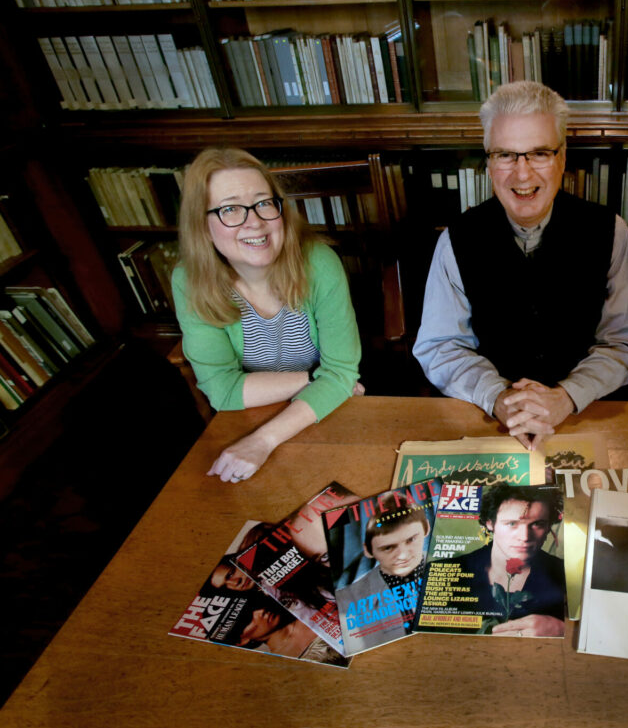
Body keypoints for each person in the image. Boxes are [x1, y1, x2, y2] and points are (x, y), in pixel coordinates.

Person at [413, 81, 628, 451]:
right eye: (506, 155)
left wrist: (566, 396)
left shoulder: (610, 231)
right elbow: (440, 346)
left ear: (563, 157)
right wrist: (499, 397)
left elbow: (625, 343)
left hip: (587, 414)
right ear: (488, 162)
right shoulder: (456, 238)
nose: (522, 175)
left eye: (539, 153)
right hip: (491, 419)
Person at [172, 147, 362, 483]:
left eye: (263, 203)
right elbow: (222, 391)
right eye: (230, 209)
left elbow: (343, 372)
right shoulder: (189, 281)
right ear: (202, 225)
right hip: (251, 416)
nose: (255, 221)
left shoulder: (320, 264)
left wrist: (263, 440)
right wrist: (318, 379)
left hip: (321, 414)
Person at [447, 483, 565, 637]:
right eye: (511, 523)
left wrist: (560, 628)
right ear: (490, 523)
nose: (524, 537)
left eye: (537, 524)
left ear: (549, 526)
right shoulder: (446, 570)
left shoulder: (563, 574)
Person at [340, 498, 431, 651]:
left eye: (411, 540)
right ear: (368, 551)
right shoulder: (346, 601)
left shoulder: (461, 567)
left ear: (426, 529)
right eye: (388, 548)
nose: (402, 555)